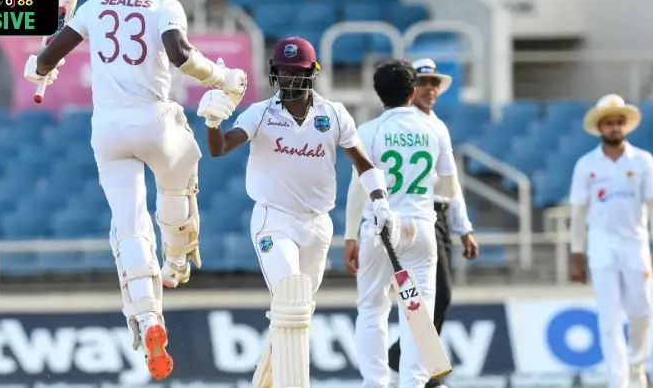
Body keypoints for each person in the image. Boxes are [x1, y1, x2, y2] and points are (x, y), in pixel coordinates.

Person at [22, 0, 247, 381]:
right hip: (154, 119)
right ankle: (177, 262)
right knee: (179, 179)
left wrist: (40, 66)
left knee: (129, 229)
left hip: (106, 130)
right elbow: (181, 55)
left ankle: (150, 321)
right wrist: (223, 77)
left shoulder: (94, 4)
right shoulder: (165, 5)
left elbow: (46, 58)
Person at [198, 37, 393, 388]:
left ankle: (264, 381)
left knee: (300, 311)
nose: (290, 79)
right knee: (290, 296)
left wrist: (379, 200)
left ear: (312, 73)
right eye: (284, 73)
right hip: (274, 220)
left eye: (298, 72)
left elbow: (364, 163)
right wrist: (212, 123)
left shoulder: (333, 114)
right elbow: (221, 149)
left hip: (317, 225)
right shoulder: (260, 113)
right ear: (275, 74)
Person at [343, 59, 461, 388]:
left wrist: (350, 235)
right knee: (416, 312)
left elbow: (358, 187)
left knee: (372, 309)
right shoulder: (435, 130)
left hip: (381, 229)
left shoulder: (368, 131)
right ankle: (413, 383)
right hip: (422, 228)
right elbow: (449, 189)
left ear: (379, 94)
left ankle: (376, 383)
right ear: (413, 91)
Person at [377, 58, 479, 388]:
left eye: (435, 83)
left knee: (437, 298)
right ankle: (414, 367)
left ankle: (409, 361)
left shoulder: (437, 127)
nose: (431, 90)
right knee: (419, 296)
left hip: (435, 217)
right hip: (405, 217)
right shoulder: (395, 125)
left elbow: (451, 184)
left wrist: (463, 227)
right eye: (424, 83)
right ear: (410, 88)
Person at [569, 94, 653, 388]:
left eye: (618, 123)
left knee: (642, 311)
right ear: (600, 128)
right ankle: (619, 379)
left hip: (635, 244)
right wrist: (577, 255)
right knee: (609, 317)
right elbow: (578, 213)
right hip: (601, 246)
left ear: (626, 126)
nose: (614, 128)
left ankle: (637, 368)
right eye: (609, 123)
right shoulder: (587, 165)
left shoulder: (642, 161)